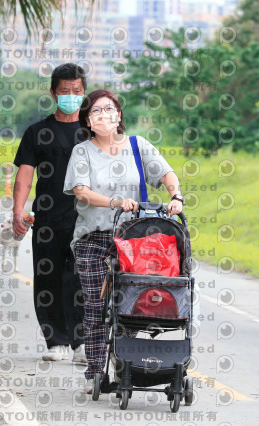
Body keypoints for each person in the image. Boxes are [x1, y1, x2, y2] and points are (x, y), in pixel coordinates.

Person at [63, 89, 184, 393]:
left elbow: (166, 172)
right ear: (88, 121)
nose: (104, 116)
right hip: (93, 237)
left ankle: (126, 365)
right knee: (96, 304)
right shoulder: (82, 152)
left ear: (119, 114)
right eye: (96, 112)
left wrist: (176, 196)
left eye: (110, 109)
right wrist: (114, 202)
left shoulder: (137, 145)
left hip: (132, 240)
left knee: (131, 305)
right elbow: (82, 192)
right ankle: (95, 371)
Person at [12, 63, 87, 364]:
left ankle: (81, 342)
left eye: (77, 91)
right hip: (47, 219)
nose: (71, 96)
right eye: (65, 91)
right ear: (54, 92)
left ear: (84, 92)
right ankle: (55, 341)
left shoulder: (93, 130)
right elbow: (24, 176)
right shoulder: (37, 132)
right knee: (48, 278)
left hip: (87, 220)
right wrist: (18, 211)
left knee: (82, 280)